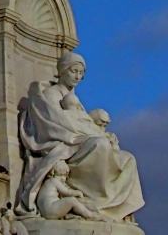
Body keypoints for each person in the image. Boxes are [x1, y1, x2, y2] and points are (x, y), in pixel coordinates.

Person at [16, 51, 144, 222]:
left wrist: (103, 134)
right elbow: (56, 124)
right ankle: (95, 201)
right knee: (99, 144)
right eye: (73, 71)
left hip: (79, 141)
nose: (77, 76)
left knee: (128, 159)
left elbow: (82, 123)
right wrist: (96, 134)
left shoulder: (74, 99)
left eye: (81, 73)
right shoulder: (51, 94)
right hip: (64, 144)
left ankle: (110, 208)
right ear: (62, 71)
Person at [37, 160, 104, 222]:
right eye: (60, 175)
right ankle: (90, 216)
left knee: (70, 202)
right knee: (72, 200)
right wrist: (78, 193)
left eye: (64, 175)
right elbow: (68, 192)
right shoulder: (54, 181)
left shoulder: (47, 183)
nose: (63, 178)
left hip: (46, 211)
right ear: (52, 173)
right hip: (51, 210)